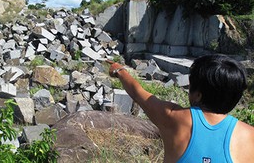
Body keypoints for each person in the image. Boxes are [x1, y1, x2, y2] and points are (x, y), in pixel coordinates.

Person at [107, 54, 254, 163]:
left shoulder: (173, 117)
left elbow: (138, 93)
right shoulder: (250, 135)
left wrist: (119, 70)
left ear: (197, 95)